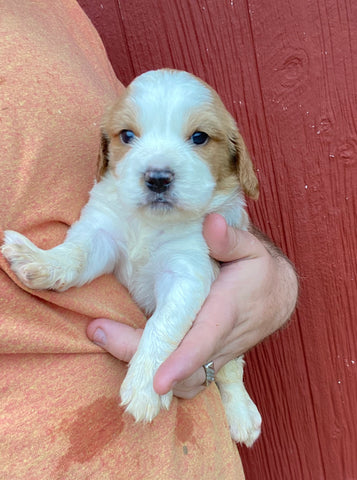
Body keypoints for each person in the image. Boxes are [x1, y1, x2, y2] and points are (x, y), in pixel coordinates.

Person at [0, 1, 298, 479]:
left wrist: (154, 360)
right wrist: (62, 263)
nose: (157, 170)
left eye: (198, 138)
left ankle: (233, 385)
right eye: (129, 136)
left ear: (236, 159)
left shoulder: (58, 16)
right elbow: (97, 237)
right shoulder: (115, 190)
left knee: (214, 322)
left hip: (187, 447)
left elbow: (196, 282)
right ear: (106, 149)